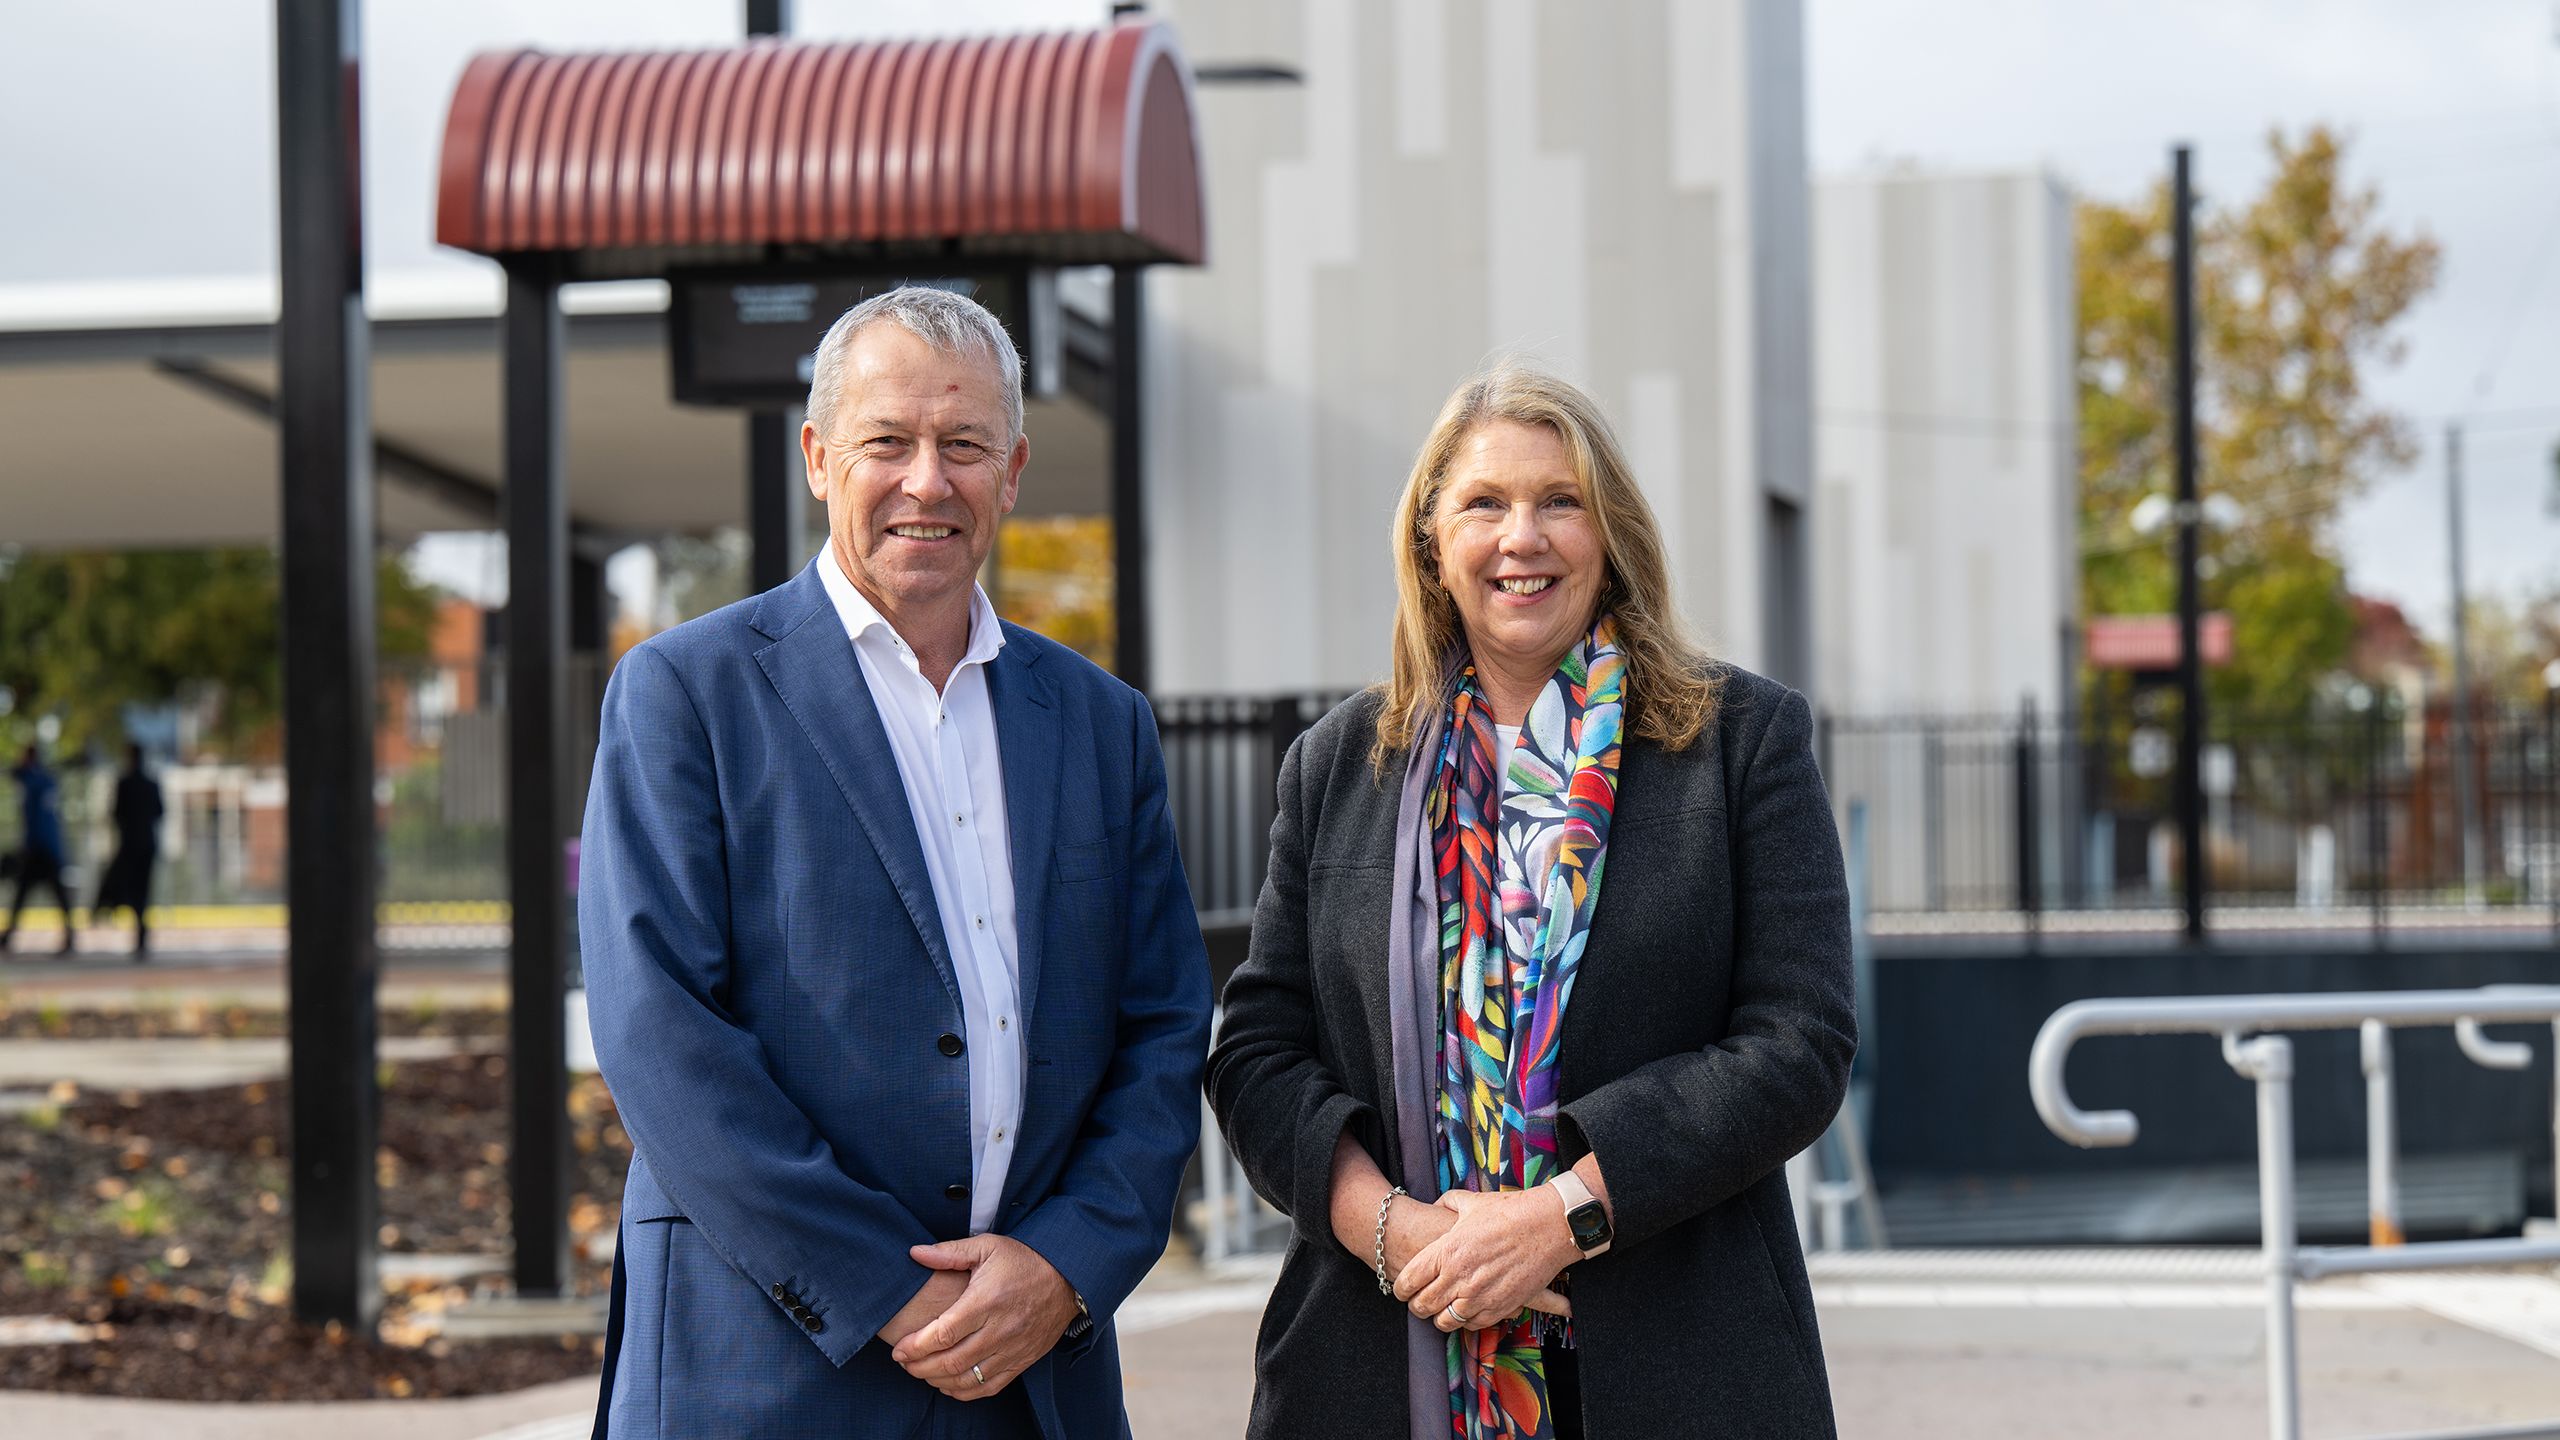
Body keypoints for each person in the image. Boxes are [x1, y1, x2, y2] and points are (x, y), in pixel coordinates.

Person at [578, 286, 1211, 1439]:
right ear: (820, 458)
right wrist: (888, 1289)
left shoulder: (1099, 721)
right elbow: (658, 1032)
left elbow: (1164, 1023)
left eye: (963, 444)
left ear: (1012, 471)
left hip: (1035, 1372)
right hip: (764, 1369)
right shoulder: (687, 694)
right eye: (888, 441)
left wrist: (1065, 1266)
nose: (928, 479)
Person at [1206, 364, 1857, 1439]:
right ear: (1430, 540)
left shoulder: (1739, 741)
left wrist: (1561, 1217)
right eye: (1484, 503)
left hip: (1680, 1359)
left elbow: (1801, 1041)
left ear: (1610, 533)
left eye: (1560, 501)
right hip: (1379, 1352)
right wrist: (1400, 1235)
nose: (1524, 537)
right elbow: (1259, 1052)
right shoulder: (1338, 764)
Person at [2, 743, 78, 956]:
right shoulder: (46, 780)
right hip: (47, 847)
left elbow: (21, 779)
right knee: (29, 894)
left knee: (37, 894)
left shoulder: (35, 781)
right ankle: (69, 934)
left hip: (40, 848)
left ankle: (69, 935)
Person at [92, 744, 165, 960]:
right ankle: (140, 935)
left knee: (131, 890)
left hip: (131, 845)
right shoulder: (150, 784)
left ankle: (113, 914)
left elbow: (116, 814)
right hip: (146, 845)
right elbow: (160, 812)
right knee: (141, 892)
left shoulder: (126, 784)